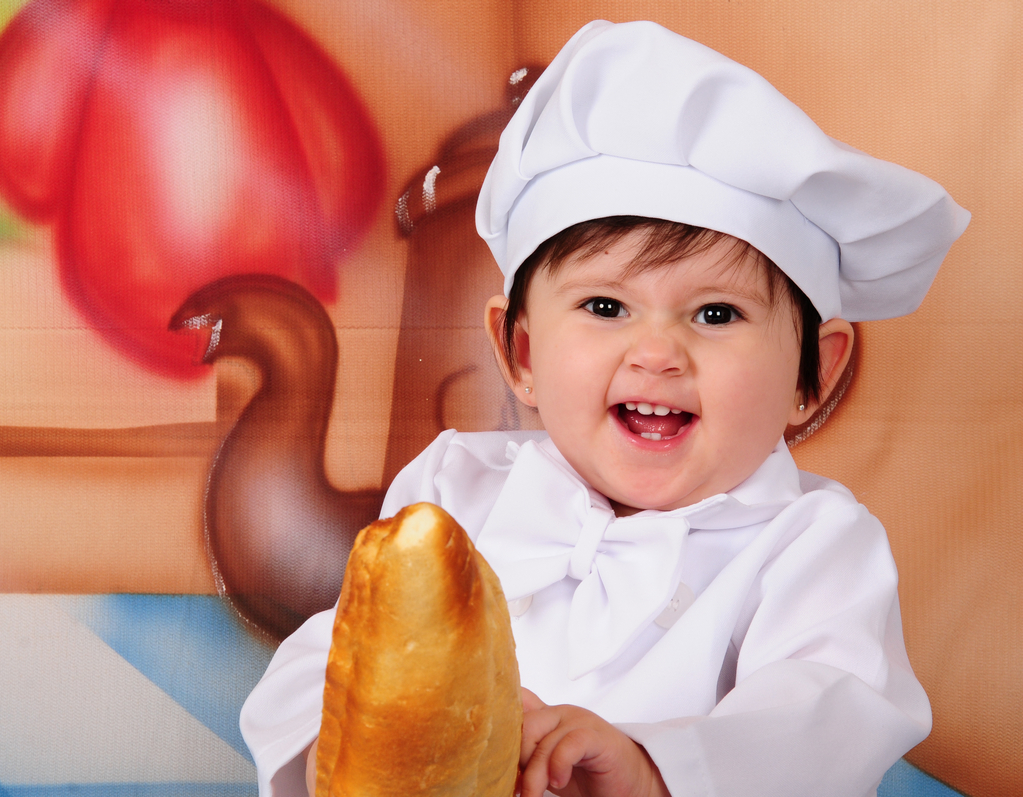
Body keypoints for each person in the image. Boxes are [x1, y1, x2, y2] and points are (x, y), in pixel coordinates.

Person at [240, 19, 969, 797]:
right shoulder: (456, 489)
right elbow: (337, 653)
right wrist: (339, 746)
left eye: (716, 313)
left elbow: (824, 721)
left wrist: (653, 767)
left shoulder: (813, 545)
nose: (657, 353)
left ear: (812, 373)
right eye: (605, 306)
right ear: (522, 352)